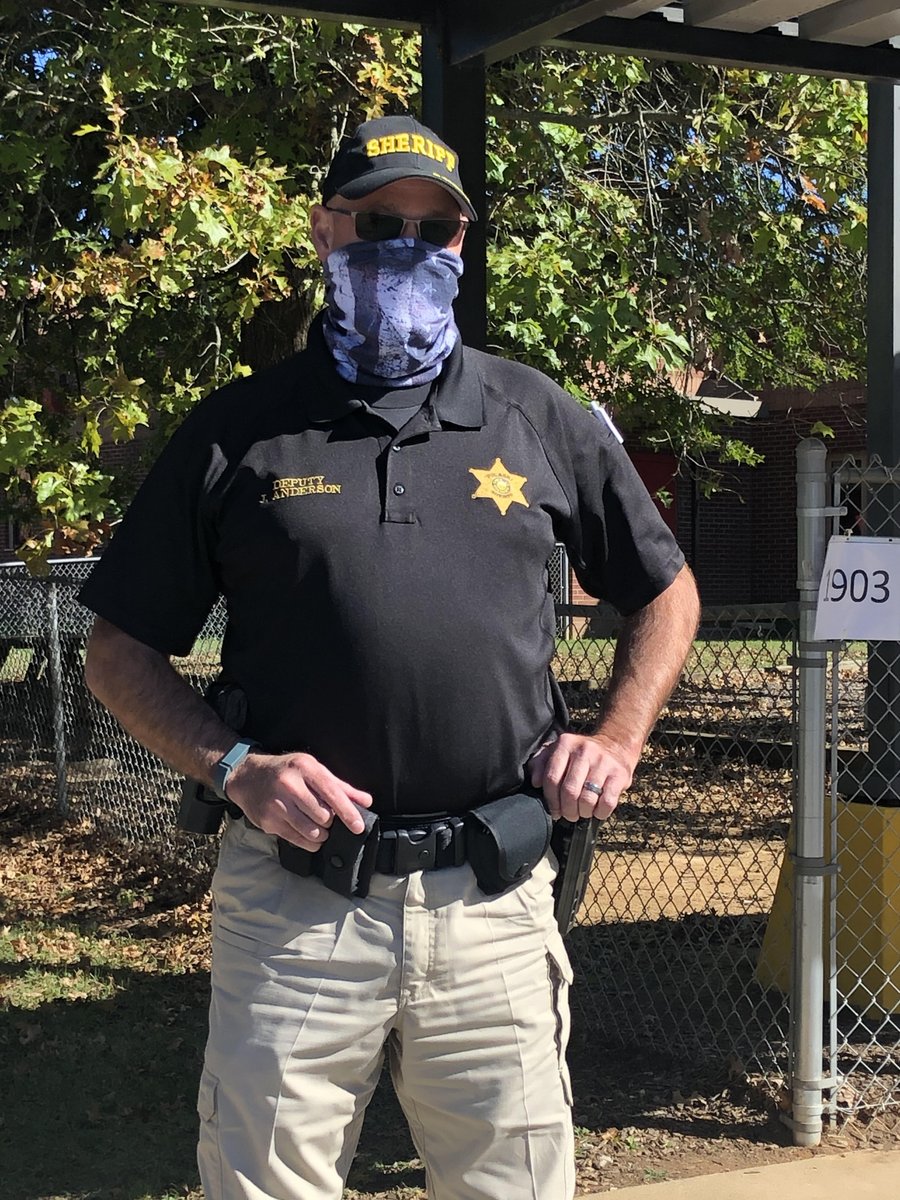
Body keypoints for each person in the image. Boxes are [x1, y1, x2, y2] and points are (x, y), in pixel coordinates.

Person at [80, 113, 700, 1200]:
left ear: (462, 248)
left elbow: (668, 590)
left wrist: (617, 734)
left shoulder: (535, 416)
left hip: (496, 902)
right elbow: (118, 650)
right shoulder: (241, 432)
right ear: (327, 230)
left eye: (436, 229)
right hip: (297, 908)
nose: (410, 246)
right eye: (380, 222)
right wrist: (233, 768)